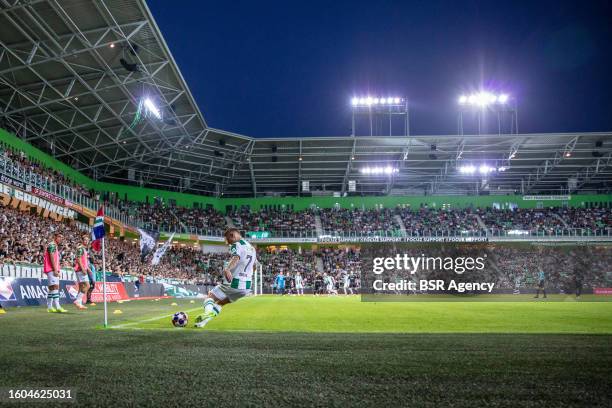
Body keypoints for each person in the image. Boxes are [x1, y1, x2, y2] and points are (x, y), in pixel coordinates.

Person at [195, 229, 258, 328]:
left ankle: (207, 313)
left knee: (210, 296)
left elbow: (236, 257)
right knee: (220, 303)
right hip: (246, 288)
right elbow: (254, 266)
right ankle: (202, 323)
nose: (228, 243)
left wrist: (227, 269)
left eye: (228, 240)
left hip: (234, 283)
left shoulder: (237, 244)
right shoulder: (252, 248)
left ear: (232, 235)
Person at [43, 232, 67, 313]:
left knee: (51, 288)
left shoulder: (54, 246)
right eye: (59, 237)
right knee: (55, 287)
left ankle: (49, 307)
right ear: (55, 237)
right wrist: (55, 269)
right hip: (52, 269)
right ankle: (57, 306)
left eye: (62, 237)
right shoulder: (52, 245)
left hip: (51, 269)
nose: (61, 239)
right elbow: (52, 257)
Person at [72, 234, 92, 309]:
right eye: (85, 240)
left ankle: (79, 303)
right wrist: (83, 269)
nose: (86, 241)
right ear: (82, 241)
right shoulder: (80, 248)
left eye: (87, 240)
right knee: (87, 285)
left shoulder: (83, 249)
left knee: (81, 287)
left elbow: (84, 260)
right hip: (80, 269)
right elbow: (78, 259)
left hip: (80, 269)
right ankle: (78, 300)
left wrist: (88, 268)